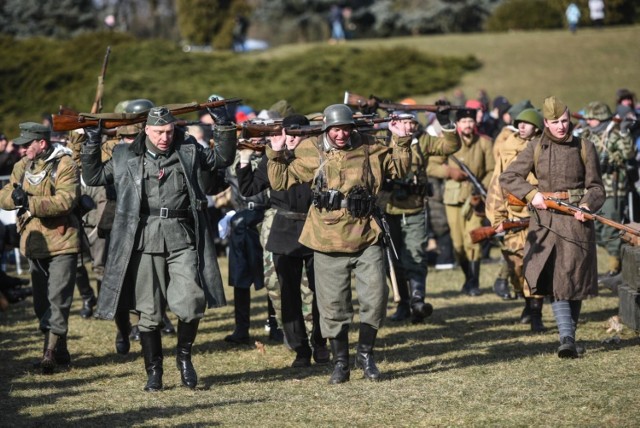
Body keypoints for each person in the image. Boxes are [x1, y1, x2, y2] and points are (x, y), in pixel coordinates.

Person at [81, 104, 237, 391]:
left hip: (182, 237)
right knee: (149, 312)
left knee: (191, 302)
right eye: (159, 132)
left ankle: (184, 358)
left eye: (169, 131)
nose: (165, 137)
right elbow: (92, 177)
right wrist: (91, 142)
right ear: (146, 130)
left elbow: (221, 159)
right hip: (144, 239)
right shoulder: (125, 155)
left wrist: (224, 126)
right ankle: (154, 371)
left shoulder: (187, 149)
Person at [266, 104, 412, 384]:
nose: (341, 134)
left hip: (367, 233)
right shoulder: (311, 149)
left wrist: (401, 139)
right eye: (335, 129)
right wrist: (276, 151)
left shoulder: (371, 146)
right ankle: (341, 362)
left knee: (376, 298)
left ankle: (366, 354)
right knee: (333, 305)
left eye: (345, 128)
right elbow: (281, 180)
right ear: (326, 129)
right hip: (326, 237)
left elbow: (400, 168)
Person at [500, 96, 605, 358]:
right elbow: (509, 176)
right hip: (545, 223)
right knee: (556, 279)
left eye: (565, 121)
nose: (561, 126)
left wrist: (588, 206)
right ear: (545, 122)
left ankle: (569, 336)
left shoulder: (585, 146)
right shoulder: (534, 147)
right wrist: (531, 194)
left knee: (574, 279)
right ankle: (566, 338)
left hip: (576, 222)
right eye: (555, 122)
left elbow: (597, 187)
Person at [237, 114, 331, 367]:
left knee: (320, 291)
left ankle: (320, 342)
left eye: (297, 135)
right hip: (284, 230)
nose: (291, 140)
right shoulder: (273, 159)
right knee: (288, 295)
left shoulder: (317, 158)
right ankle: (300, 348)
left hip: (316, 227)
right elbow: (248, 189)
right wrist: (245, 159)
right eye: (288, 134)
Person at [0, 122, 81, 374]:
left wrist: (30, 202)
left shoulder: (65, 164)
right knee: (40, 304)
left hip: (62, 241)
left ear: (42, 143)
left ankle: (49, 354)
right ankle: (62, 350)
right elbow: (4, 193)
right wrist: (13, 199)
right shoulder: (21, 167)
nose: (22, 149)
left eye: (27, 144)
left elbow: (66, 201)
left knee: (58, 299)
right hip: (33, 244)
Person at [380, 111, 461, 322]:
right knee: (393, 258)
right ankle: (402, 303)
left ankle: (418, 301)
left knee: (415, 254)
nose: (409, 126)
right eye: (405, 123)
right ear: (395, 123)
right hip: (389, 209)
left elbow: (450, 146)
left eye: (412, 122)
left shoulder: (423, 140)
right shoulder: (383, 140)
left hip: (414, 208)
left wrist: (447, 125)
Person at [486, 108, 548, 332]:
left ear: (537, 127)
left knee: (536, 269)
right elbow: (497, 182)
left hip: (538, 217)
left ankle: (536, 314)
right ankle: (527, 305)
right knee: (517, 269)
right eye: (519, 123)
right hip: (513, 217)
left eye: (527, 123)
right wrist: (497, 217)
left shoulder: (544, 148)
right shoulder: (507, 148)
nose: (521, 126)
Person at [431, 108, 495, 296]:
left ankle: (474, 283)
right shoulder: (448, 142)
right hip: (452, 198)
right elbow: (432, 166)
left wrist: (481, 186)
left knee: (473, 239)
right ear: (457, 124)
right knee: (458, 245)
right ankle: (468, 279)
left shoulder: (484, 143)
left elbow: (492, 170)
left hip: (475, 199)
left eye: (470, 121)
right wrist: (450, 172)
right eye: (464, 121)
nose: (468, 125)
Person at [579, 101, 636, 280]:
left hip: (612, 189)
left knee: (610, 229)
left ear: (601, 117)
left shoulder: (615, 133)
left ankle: (615, 267)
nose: (588, 120)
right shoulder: (587, 133)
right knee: (594, 228)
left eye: (591, 118)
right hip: (593, 189)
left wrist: (625, 132)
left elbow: (629, 154)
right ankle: (620, 259)